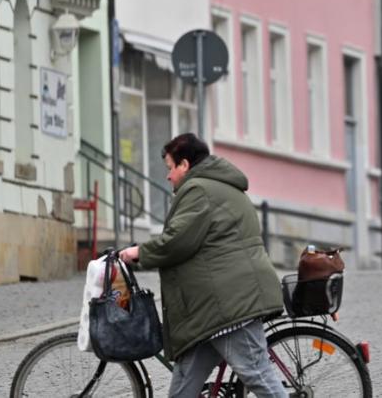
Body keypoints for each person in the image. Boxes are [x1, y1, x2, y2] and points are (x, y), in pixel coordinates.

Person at [119, 134, 286, 398]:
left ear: (184, 165)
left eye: (170, 168)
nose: (168, 176)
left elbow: (178, 240)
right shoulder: (218, 185)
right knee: (185, 383)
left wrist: (139, 252)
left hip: (229, 305)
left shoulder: (199, 190)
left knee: (257, 375)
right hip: (211, 309)